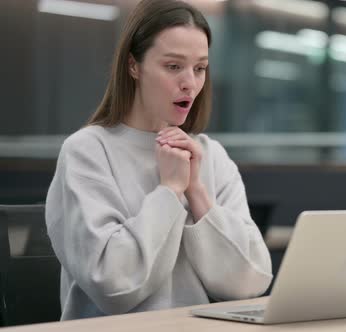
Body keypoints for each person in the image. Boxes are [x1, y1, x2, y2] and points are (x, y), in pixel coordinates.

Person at [45, 0, 272, 320]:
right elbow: (114, 286)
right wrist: (169, 190)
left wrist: (195, 191)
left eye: (200, 68)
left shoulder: (211, 156)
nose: (190, 83)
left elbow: (251, 281)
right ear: (133, 65)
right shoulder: (87, 151)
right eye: (173, 66)